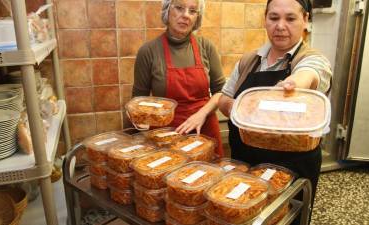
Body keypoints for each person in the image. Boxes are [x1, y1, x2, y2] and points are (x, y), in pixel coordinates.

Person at [218, 0, 332, 223]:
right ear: (265, 19)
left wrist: (292, 84)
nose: (280, 26)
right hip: (246, 162)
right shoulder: (249, 60)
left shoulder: (313, 59)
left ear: (306, 20)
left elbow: (309, 74)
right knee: (244, 216)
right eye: (273, 18)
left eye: (290, 18)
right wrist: (237, 108)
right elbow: (224, 98)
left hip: (291, 169)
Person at [133, 0, 226, 157]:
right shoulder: (148, 51)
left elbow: (221, 92)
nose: (185, 16)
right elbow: (138, 101)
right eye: (179, 8)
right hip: (166, 134)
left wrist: (201, 115)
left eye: (192, 11)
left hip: (203, 129)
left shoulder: (206, 47)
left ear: (197, 17)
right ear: (167, 10)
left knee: (208, 178)